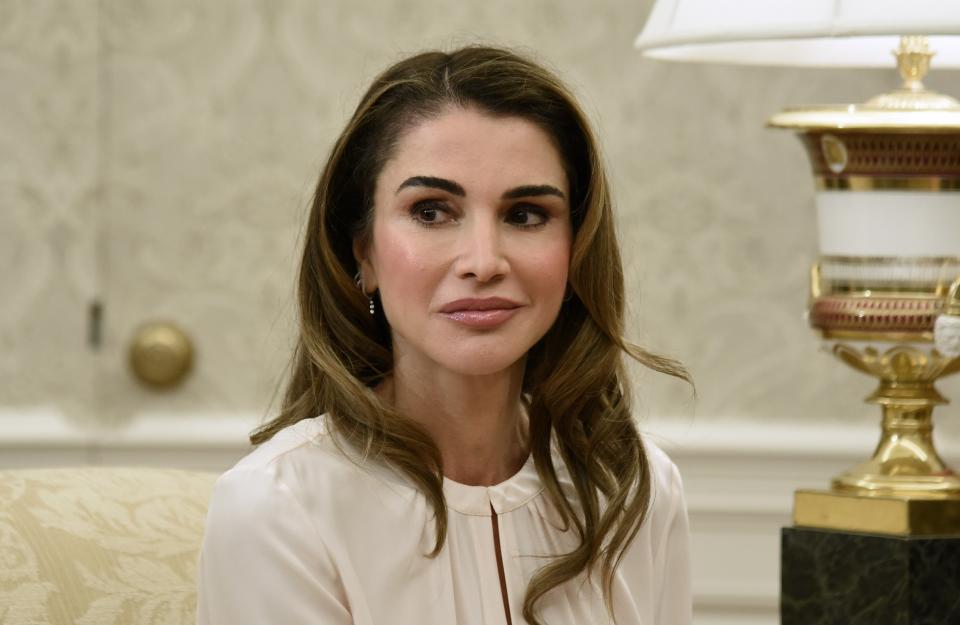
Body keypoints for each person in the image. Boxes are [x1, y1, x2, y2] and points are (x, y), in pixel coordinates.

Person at [196, 45, 691, 625]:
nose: (483, 261)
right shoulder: (277, 507)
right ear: (364, 254)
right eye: (431, 211)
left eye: (526, 214)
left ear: (575, 252)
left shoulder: (636, 488)